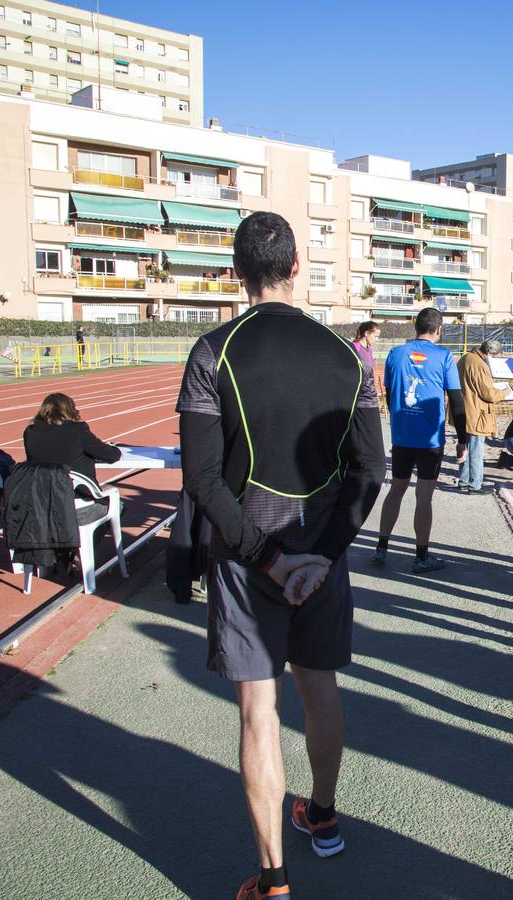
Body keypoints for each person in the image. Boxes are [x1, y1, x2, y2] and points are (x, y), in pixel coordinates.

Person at [176, 211, 382, 900]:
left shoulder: (211, 353)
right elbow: (369, 472)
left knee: (257, 710)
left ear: (238, 272)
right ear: (297, 268)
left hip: (245, 557)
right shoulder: (350, 358)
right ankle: (322, 816)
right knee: (319, 686)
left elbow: (202, 480)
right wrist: (319, 557)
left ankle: (274, 881)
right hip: (318, 552)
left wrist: (266, 559)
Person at [373, 306, 466, 573]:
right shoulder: (444, 356)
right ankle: (421, 556)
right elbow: (456, 402)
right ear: (439, 330)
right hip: (430, 438)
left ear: (416, 327)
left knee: (396, 489)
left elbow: (390, 396)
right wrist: (463, 439)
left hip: (402, 436)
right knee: (423, 496)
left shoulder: (395, 353)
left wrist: (400, 420)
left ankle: (381, 548)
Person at [23, 392, 123, 485]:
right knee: (118, 502)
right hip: (75, 489)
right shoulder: (77, 429)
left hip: (41, 490)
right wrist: (113, 448)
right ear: (69, 410)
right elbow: (111, 455)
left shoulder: (30, 431)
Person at [457, 339, 505, 494]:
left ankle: (464, 481)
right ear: (489, 352)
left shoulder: (465, 358)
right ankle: (475, 485)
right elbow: (488, 394)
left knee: (467, 448)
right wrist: (505, 392)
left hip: (464, 411)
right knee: (476, 451)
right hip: (477, 413)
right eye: (495, 356)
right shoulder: (479, 364)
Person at [350, 321, 386, 517]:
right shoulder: (353, 348)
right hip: (362, 402)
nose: (377, 339)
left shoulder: (369, 349)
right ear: (365, 333)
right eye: (375, 335)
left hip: (371, 399)